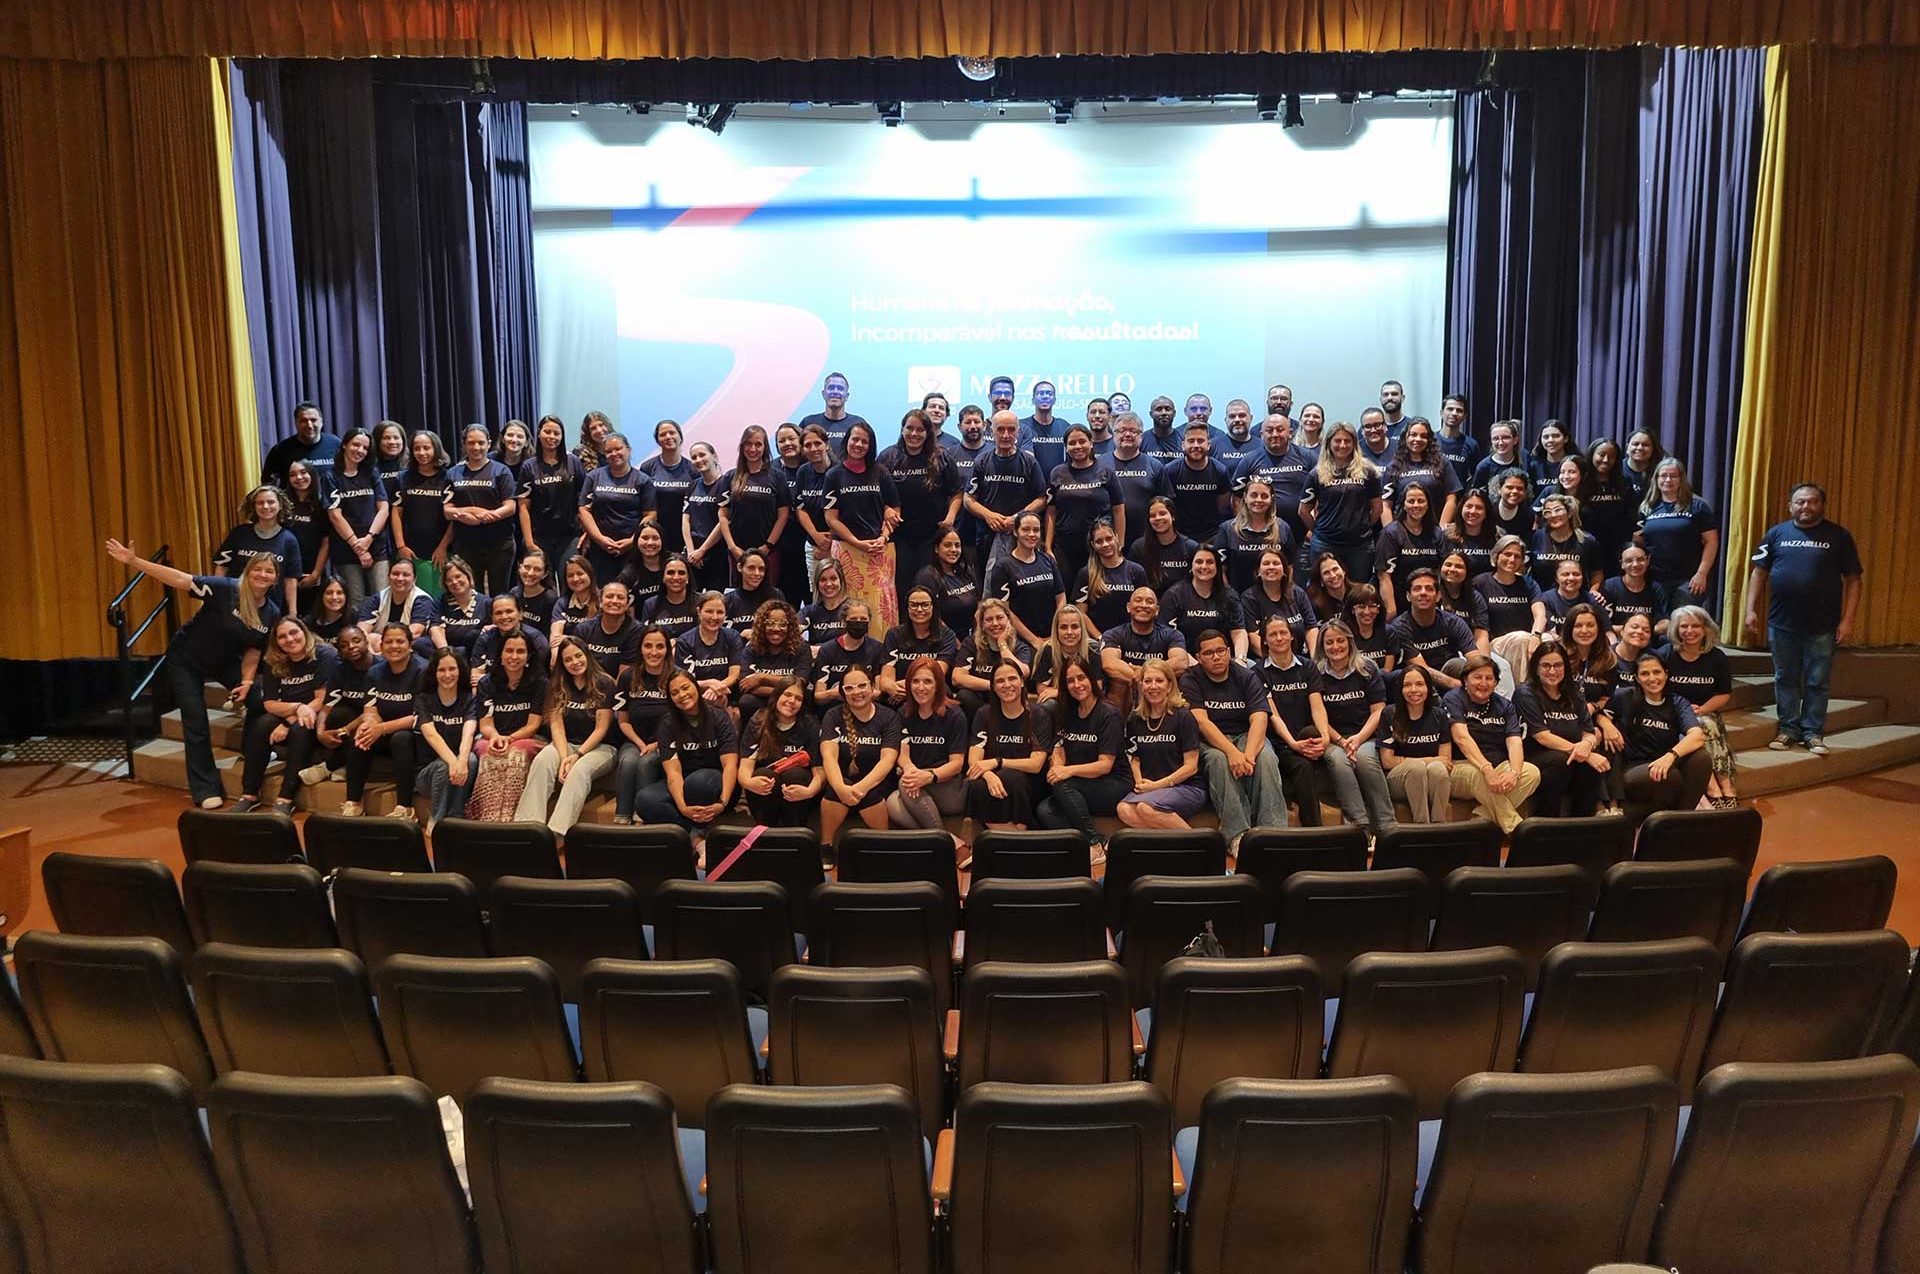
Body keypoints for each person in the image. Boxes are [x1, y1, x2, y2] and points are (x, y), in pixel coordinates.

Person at [105, 539, 282, 810]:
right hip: (185, 659)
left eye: (269, 571)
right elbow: (180, 579)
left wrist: (246, 681)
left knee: (258, 699)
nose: (262, 574)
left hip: (223, 662)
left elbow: (253, 651)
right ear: (248, 570)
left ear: (275, 578)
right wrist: (135, 561)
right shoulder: (225, 588)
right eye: (257, 569)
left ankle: (253, 750)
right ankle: (205, 788)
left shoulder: (271, 613)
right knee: (196, 721)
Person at [1744, 482, 1863, 756]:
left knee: (1816, 681)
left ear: (1822, 504)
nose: (1806, 507)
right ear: (1791, 506)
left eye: (1812, 502)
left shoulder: (1839, 536)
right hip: (1781, 623)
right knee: (1785, 677)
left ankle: (1813, 733)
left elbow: (1854, 581)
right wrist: (1750, 609)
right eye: (1800, 502)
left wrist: (1848, 621)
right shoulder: (1776, 534)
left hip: (1823, 626)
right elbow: (1758, 573)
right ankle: (1788, 729)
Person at [1181, 629, 1288, 845]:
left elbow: (1259, 719)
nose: (1216, 657)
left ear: (1229, 652)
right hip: (1209, 740)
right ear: (1199, 657)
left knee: (1266, 758)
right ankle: (1236, 835)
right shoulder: (1190, 679)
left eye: (1221, 650)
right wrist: (1232, 753)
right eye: (1209, 653)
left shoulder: (1247, 676)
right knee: (1219, 761)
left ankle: (1273, 832)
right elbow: (1201, 722)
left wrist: (1247, 756)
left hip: (1245, 735)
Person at [513, 636, 617, 836]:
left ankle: (557, 834)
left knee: (579, 771)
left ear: (586, 655)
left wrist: (576, 757)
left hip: (601, 747)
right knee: (543, 761)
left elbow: (600, 729)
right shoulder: (556, 685)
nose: (575, 662)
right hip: (566, 744)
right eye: (568, 659)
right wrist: (563, 758)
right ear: (562, 663)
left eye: (578, 656)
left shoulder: (604, 682)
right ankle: (526, 829)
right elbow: (557, 728)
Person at [232, 617, 336, 815]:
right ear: (276, 642)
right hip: (291, 711)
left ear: (304, 631)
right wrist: (296, 709)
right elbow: (270, 704)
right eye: (282, 637)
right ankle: (249, 794)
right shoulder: (273, 661)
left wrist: (290, 723)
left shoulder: (324, 654)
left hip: (319, 713)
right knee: (261, 724)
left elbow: (322, 699)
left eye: (294, 632)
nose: (289, 639)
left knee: (301, 729)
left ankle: (286, 797)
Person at [632, 669, 739, 851]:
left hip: (716, 784)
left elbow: (730, 765)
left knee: (697, 781)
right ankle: (696, 839)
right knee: (645, 800)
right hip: (684, 781)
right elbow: (673, 772)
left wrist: (723, 803)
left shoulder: (718, 717)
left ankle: (695, 836)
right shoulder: (668, 723)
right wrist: (682, 807)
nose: (682, 695)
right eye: (675, 693)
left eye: (685, 688)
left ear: (696, 687)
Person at [1441, 653, 1542, 835]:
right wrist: (1487, 769)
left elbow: (1514, 742)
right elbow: (1461, 738)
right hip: (1460, 766)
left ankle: (1481, 817)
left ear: (1496, 682)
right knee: (1477, 774)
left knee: (1531, 773)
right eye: (1477, 677)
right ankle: (1516, 828)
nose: (1484, 683)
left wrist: (1514, 772)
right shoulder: (1453, 699)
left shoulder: (1504, 705)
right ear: (1465, 679)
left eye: (1489, 678)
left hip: (1496, 766)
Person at [1313, 619, 1397, 836]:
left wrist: (1358, 739)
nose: (1335, 647)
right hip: (1333, 738)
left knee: (1367, 760)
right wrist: (1341, 741)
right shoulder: (1315, 672)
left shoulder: (1367, 668)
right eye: (1329, 642)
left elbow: (1378, 710)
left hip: (1365, 735)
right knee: (1339, 761)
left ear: (1350, 641)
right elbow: (1318, 715)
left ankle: (1388, 826)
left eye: (1340, 640)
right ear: (1322, 646)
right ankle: (1361, 828)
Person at [1036, 656, 1128, 852]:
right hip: (1081, 784)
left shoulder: (1108, 713)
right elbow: (1058, 747)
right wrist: (1058, 767)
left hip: (1113, 783)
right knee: (1045, 811)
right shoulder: (1066, 710)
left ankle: (1094, 843)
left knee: (1063, 784)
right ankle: (1093, 842)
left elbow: (1105, 766)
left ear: (1091, 679)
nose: (1077, 684)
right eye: (1070, 680)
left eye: (1081, 678)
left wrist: (1066, 772)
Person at [1609, 651, 1711, 824]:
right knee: (1671, 777)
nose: (1652, 678)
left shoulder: (1677, 702)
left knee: (1702, 758)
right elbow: (1599, 715)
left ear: (1666, 674)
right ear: (1637, 677)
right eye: (1645, 673)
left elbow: (1697, 736)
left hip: (1665, 762)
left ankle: (1679, 820)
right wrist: (1606, 725)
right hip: (1633, 768)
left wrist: (1670, 756)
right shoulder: (1624, 696)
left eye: (1657, 672)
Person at [339, 623, 427, 819]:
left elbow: (420, 716)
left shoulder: (422, 671)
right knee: (360, 735)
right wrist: (369, 725)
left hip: (415, 735)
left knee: (401, 739)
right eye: (389, 642)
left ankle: (405, 807)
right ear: (381, 645)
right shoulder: (375, 672)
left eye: (400, 641)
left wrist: (381, 728)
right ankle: (353, 801)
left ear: (410, 645)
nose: (394, 646)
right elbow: (370, 709)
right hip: (384, 730)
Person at [1513, 642, 1612, 817]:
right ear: (1536, 667)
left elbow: (1589, 732)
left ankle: (1582, 826)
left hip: (1570, 754)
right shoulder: (1525, 693)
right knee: (1561, 761)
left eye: (1558, 665)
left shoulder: (1574, 693)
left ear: (1565, 667)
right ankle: (1547, 824)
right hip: (1537, 755)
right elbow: (1542, 737)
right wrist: (1585, 754)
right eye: (1546, 665)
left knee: (1589, 766)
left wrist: (1587, 746)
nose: (1552, 671)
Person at [1115, 659, 1208, 837]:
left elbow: (1191, 766)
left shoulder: (1183, 716)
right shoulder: (1135, 719)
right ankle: (1167, 846)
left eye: (1159, 680)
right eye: (1147, 681)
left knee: (1146, 808)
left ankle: (1202, 845)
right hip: (1152, 789)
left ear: (1169, 685)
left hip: (1186, 787)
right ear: (1141, 686)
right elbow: (1134, 758)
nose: (1153, 686)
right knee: (1124, 809)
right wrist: (1140, 782)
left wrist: (1157, 786)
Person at [1658, 605, 1739, 807]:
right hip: (1672, 713)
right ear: (1676, 629)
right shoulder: (1666, 654)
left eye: (1695, 625)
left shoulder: (1717, 657)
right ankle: (1713, 788)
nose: (1689, 631)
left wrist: (1701, 709)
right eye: (1684, 626)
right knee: (1700, 726)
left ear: (1705, 628)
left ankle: (1725, 786)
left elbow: (1723, 694)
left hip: (1705, 711)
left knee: (1704, 723)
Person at [885, 658, 970, 847]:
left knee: (904, 786)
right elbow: (903, 754)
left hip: (947, 786)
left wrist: (928, 776)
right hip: (917, 785)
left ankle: (944, 845)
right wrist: (911, 771)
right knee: (892, 803)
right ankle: (949, 843)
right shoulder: (904, 713)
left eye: (927, 681)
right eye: (915, 681)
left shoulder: (955, 715)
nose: (920, 687)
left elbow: (956, 764)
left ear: (938, 685)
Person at [879, 408, 961, 605]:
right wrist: (887, 509)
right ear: (902, 429)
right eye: (910, 428)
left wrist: (950, 519)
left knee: (930, 589)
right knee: (901, 589)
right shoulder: (888, 457)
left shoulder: (941, 456)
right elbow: (875, 493)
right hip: (899, 537)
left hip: (931, 537)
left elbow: (957, 492)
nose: (914, 434)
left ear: (928, 433)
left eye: (920, 430)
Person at [823, 420, 899, 627]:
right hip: (847, 550)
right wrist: (857, 542)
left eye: (864, 441)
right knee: (849, 606)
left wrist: (883, 537)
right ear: (847, 441)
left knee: (881, 609)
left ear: (870, 445)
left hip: (879, 550)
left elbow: (894, 509)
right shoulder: (833, 475)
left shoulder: (881, 472)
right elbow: (831, 518)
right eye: (855, 439)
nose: (859, 445)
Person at [465, 630, 546, 820]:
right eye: (509, 651)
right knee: (489, 752)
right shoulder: (487, 683)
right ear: (500, 655)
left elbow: (533, 725)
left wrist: (509, 739)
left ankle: (509, 819)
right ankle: (486, 818)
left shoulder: (539, 683)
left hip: (527, 738)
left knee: (515, 753)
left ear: (528, 656)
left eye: (520, 651)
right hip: (491, 737)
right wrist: (495, 737)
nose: (514, 657)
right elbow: (485, 724)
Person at [965, 660, 1051, 832]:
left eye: (1012, 678)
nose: (1006, 685)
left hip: (1029, 784)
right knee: (976, 784)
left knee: (1010, 777)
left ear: (1022, 681)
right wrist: (989, 774)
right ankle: (1017, 835)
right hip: (994, 781)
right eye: (1000, 681)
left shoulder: (1039, 715)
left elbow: (1035, 765)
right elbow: (974, 759)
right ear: (993, 687)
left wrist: (997, 762)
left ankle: (1011, 837)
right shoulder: (984, 714)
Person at [819, 664, 901, 843]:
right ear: (843, 693)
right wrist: (841, 788)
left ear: (873, 687)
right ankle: (825, 845)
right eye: (849, 688)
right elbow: (829, 757)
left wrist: (861, 788)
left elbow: (887, 760)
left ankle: (884, 844)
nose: (856, 692)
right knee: (834, 790)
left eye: (862, 685)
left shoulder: (889, 717)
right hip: (841, 781)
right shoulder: (833, 715)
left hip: (877, 783)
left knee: (870, 793)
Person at [1257, 616, 1327, 825]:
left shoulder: (1307, 667)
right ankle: (1315, 833)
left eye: (1283, 633)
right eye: (1273, 634)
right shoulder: (1258, 672)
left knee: (1311, 740)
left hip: (1308, 739)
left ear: (1291, 636)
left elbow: (1317, 706)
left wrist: (1324, 738)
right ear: (1265, 641)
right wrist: (1293, 744)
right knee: (1303, 766)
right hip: (1281, 743)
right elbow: (1274, 716)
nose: (1279, 638)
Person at [1300, 420, 1385, 588]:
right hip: (1325, 543)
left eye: (1347, 441)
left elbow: (1377, 509)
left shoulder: (1368, 471)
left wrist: (1362, 527)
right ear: (1329, 443)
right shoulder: (1317, 474)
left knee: (1359, 591)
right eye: (1337, 441)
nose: (1342, 445)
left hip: (1359, 545)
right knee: (1320, 588)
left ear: (1354, 443)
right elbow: (1303, 511)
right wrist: (1318, 530)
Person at [1045, 424, 1125, 593]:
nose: (1078, 446)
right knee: (1065, 594)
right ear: (1066, 448)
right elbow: (1051, 512)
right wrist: (1047, 547)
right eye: (1072, 443)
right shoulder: (1057, 473)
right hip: (1065, 548)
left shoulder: (1106, 471)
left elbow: (1118, 509)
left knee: (1098, 595)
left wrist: (1119, 544)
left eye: (1082, 441)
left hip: (1099, 547)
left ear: (1091, 443)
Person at [445, 423, 521, 597]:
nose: (476, 447)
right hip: (466, 544)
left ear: (488, 443)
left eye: (480, 443)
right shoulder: (453, 473)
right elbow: (447, 511)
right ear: (464, 444)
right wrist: (471, 512)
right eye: (471, 443)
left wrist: (483, 518)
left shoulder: (502, 471)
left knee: (500, 593)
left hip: (500, 543)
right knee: (471, 592)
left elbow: (510, 507)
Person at [964, 409, 1046, 570]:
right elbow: (968, 499)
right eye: (1000, 429)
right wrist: (988, 515)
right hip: (987, 537)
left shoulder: (1030, 462)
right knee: (989, 586)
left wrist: (1018, 518)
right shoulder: (981, 461)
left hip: (1021, 537)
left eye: (1011, 430)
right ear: (991, 431)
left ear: (1018, 431)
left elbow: (1042, 499)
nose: (1006, 435)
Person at [738, 677, 824, 827]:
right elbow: (745, 766)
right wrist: (749, 783)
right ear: (776, 696)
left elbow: (820, 771)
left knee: (795, 774)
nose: (792, 701)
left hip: (799, 791)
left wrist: (810, 791)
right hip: (766, 791)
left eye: (798, 698)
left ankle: (794, 832)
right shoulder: (758, 720)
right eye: (787, 695)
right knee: (763, 774)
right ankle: (764, 831)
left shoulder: (810, 725)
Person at [611, 627, 675, 825]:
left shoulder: (676, 677)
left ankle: (642, 818)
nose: (653, 652)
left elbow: (682, 721)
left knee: (645, 763)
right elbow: (623, 720)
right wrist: (640, 744)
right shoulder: (628, 677)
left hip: (667, 742)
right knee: (628, 762)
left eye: (659, 646)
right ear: (640, 648)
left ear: (667, 650)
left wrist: (656, 744)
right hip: (634, 740)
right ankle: (622, 818)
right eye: (648, 646)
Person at [718, 424, 793, 591]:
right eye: (748, 444)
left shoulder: (777, 476)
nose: (753, 449)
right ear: (742, 446)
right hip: (737, 551)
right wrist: (733, 548)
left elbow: (783, 514)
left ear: (765, 447)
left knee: (767, 595)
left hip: (768, 551)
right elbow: (723, 514)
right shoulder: (731, 476)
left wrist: (768, 546)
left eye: (758, 444)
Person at [577, 430, 655, 589]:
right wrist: (599, 538)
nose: (614, 454)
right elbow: (584, 510)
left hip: (631, 549)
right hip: (599, 549)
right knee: (601, 593)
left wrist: (632, 540)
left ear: (628, 450)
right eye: (609, 451)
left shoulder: (643, 480)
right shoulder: (594, 477)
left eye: (618, 449)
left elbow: (650, 515)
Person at [324, 427, 391, 611]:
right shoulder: (331, 476)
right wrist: (358, 548)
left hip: (376, 545)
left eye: (365, 447)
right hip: (346, 549)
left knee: (382, 598)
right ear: (345, 444)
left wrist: (369, 539)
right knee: (355, 601)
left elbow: (384, 509)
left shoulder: (371, 473)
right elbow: (335, 515)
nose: (360, 450)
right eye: (356, 444)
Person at [1637, 457, 1718, 610]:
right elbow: (1640, 540)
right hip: (1655, 579)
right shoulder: (1647, 506)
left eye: (1673, 476)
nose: (1668, 480)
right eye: (1663, 476)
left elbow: (1711, 542)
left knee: (1681, 623)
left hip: (1688, 579)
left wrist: (1702, 573)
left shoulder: (1697, 505)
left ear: (1681, 479)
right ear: (1656, 479)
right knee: (1660, 625)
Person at [1378, 663, 1454, 824]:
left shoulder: (1439, 715)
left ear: (1428, 688)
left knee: (1438, 769)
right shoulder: (1389, 713)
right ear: (1400, 689)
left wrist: (1432, 762)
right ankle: (1422, 827)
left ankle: (1439, 826)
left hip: (1430, 775)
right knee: (1417, 768)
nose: (1413, 690)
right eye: (1407, 685)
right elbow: (1387, 761)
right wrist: (1428, 760)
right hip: (1399, 778)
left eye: (1419, 684)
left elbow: (1445, 760)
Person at [212, 485, 303, 613]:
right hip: (235, 604)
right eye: (260, 503)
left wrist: (293, 613)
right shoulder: (239, 533)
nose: (265, 506)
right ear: (254, 507)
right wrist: (217, 597)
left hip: (269, 609)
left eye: (271, 502)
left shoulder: (289, 540)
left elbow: (290, 580)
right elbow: (222, 566)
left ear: (280, 505)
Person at [1099, 586, 1190, 713]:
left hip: (1160, 693)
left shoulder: (1172, 635)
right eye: (1138, 600)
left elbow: (1181, 663)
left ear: (1157, 610)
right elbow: (1109, 664)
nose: (1144, 605)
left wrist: (1144, 675)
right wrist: (1147, 677)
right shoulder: (1113, 634)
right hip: (1126, 695)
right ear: (1128, 607)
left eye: (1150, 602)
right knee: (1119, 681)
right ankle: (1119, 729)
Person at [1385, 568, 1477, 692]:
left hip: (1449, 672)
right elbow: (1422, 669)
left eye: (1429, 589)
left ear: (1438, 596)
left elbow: (1475, 659)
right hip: (1419, 683)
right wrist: (1461, 686)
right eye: (1417, 589)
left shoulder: (1453, 622)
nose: (1423, 593)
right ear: (1408, 596)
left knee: (1461, 665)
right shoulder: (1399, 628)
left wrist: (1477, 681)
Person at [985, 510, 1063, 649]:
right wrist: (1034, 640)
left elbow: (1061, 598)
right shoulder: (1003, 566)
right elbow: (1004, 610)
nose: (1032, 534)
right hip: (1021, 641)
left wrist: (1055, 633)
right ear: (1016, 532)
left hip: (1052, 637)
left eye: (1036, 530)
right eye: (1026, 529)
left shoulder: (1048, 560)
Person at [518, 414, 587, 571]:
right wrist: (529, 542)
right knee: (542, 584)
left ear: (562, 436)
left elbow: (584, 501)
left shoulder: (573, 462)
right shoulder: (529, 466)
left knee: (569, 581)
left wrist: (586, 533)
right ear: (539, 433)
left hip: (570, 536)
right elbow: (523, 506)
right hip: (539, 537)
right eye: (547, 432)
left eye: (556, 433)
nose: (552, 437)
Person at [1473, 535, 1548, 669]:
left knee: (1549, 641)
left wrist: (1536, 636)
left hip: (1526, 639)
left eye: (1517, 556)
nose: (1512, 559)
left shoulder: (1528, 583)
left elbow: (1540, 614)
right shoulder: (1481, 583)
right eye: (1507, 554)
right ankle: (1522, 689)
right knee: (1521, 639)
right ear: (1496, 555)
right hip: (1495, 643)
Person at [953, 597, 1034, 720]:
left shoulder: (1020, 647)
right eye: (989, 620)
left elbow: (1022, 673)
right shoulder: (971, 643)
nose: (995, 623)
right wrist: (994, 685)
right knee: (964, 696)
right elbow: (957, 678)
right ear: (982, 624)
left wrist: (1002, 644)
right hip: (980, 701)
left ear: (1009, 621)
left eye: (1000, 618)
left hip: (1010, 699)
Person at [1161, 545, 1247, 660]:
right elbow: (1168, 638)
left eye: (1210, 562)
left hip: (1222, 661)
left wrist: (1240, 659)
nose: (1204, 566)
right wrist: (1194, 666)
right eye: (1199, 562)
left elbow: (1239, 632)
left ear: (1217, 567)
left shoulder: (1229, 596)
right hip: (1187, 662)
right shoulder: (1174, 595)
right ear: (1191, 565)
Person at [1374, 482, 1446, 617]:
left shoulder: (1437, 533)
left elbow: (1440, 572)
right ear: (1404, 504)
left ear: (1428, 504)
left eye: (1421, 501)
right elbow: (1383, 575)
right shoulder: (1391, 533)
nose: (1416, 505)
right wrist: (1391, 610)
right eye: (1411, 501)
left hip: (1428, 600)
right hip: (1399, 601)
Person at [879, 585, 959, 705]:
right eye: (914, 605)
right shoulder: (894, 635)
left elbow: (937, 674)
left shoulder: (947, 635)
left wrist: (910, 686)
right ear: (907, 608)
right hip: (900, 692)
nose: (920, 609)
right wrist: (892, 688)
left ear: (933, 607)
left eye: (925, 604)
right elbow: (885, 679)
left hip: (930, 690)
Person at [1215, 475, 1292, 595]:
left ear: (1271, 499)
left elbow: (1289, 568)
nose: (1259, 500)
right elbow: (1221, 570)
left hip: (1274, 600)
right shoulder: (1227, 529)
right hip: (1238, 599)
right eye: (1254, 495)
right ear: (1245, 498)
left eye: (1264, 496)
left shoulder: (1283, 528)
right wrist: (1230, 598)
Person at [738, 599, 810, 725]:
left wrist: (762, 678)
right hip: (760, 701)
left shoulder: (801, 648)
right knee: (746, 701)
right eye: (770, 623)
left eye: (782, 624)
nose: (776, 629)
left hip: (792, 701)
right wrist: (785, 690)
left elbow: (801, 683)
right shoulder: (751, 648)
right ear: (761, 626)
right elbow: (746, 686)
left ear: (790, 626)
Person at [1380, 418, 1462, 528]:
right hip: (1402, 532)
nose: (1417, 439)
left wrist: (1442, 528)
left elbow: (1451, 498)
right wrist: (1390, 533)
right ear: (1405, 437)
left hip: (1434, 531)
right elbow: (1386, 504)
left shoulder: (1442, 462)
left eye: (1423, 436)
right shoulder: (1393, 467)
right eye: (1413, 435)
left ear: (1429, 440)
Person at [1107, 411, 1168, 552]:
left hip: (1147, 541)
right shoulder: (1100, 464)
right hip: (1108, 542)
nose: (1127, 434)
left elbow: (1165, 505)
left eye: (1133, 431)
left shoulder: (1155, 466)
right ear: (1113, 434)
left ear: (1141, 435)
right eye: (1121, 430)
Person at [677, 592, 746, 711]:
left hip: (727, 694)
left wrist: (718, 687)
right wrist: (709, 683)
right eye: (709, 611)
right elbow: (685, 680)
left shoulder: (733, 636)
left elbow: (734, 674)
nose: (714, 617)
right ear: (699, 612)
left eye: (720, 612)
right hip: (695, 694)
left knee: (732, 711)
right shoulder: (685, 641)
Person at [811, 599, 885, 708]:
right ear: (844, 621)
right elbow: (818, 696)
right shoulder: (828, 650)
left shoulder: (876, 648)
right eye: (853, 619)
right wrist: (834, 693)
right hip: (835, 709)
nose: (859, 622)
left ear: (869, 623)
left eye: (863, 619)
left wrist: (856, 693)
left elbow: (879, 694)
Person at [914, 524, 980, 644]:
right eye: (947, 545)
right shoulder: (927, 576)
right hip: (942, 640)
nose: (954, 550)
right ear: (936, 548)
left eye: (957, 545)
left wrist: (975, 640)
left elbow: (979, 605)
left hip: (970, 638)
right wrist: (957, 645)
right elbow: (931, 616)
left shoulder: (967, 570)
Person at [637, 419, 695, 555]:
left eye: (672, 433)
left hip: (684, 533)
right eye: (663, 434)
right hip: (655, 535)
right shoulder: (647, 467)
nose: (668, 437)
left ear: (680, 437)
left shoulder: (693, 469)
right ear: (657, 440)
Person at [261, 400, 343, 493]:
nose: (309, 425)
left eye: (313, 420)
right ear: (296, 423)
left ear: (321, 422)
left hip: (331, 505)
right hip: (294, 506)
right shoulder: (280, 450)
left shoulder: (336, 445)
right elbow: (268, 485)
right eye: (304, 421)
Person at [773, 423, 813, 605]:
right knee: (788, 601)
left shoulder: (813, 467)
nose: (787, 443)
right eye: (782, 441)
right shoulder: (770, 470)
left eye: (792, 439)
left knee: (813, 598)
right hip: (782, 546)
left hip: (812, 543)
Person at [1530, 494, 1604, 593]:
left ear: (1569, 513)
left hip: (1578, 600)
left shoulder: (1587, 540)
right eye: (1547, 512)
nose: (1553, 515)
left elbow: (1597, 573)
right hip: (1543, 599)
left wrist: (1594, 591)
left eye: (1558, 510)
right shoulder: (1536, 537)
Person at [1031, 605, 1103, 704]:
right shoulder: (1048, 650)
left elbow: (1098, 687)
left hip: (1086, 699)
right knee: (1048, 704)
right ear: (1056, 630)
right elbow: (1042, 689)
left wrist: (1060, 692)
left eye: (1074, 627)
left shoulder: (1092, 649)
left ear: (1082, 629)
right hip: (1060, 703)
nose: (1069, 632)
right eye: (1064, 627)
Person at [570, 579, 640, 681]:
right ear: (601, 602)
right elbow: (577, 666)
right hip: (587, 684)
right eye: (609, 596)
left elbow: (624, 676)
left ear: (627, 604)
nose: (614, 601)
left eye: (620, 597)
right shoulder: (583, 629)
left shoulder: (636, 630)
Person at [353, 556, 434, 643]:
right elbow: (362, 629)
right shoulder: (378, 597)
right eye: (395, 574)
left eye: (406, 575)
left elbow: (415, 633)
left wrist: (385, 642)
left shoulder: (422, 600)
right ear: (388, 576)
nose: (400, 578)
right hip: (379, 643)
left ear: (414, 579)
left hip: (408, 644)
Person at [469, 593, 550, 681]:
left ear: (520, 614)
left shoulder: (536, 639)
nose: (504, 617)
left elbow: (539, 677)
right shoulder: (485, 639)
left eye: (509, 611)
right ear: (492, 618)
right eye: (498, 613)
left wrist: (488, 678)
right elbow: (476, 677)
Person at [1582, 438, 1638, 567]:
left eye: (1611, 457)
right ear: (1592, 454)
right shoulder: (1581, 482)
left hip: (1617, 547)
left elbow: (1632, 514)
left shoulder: (1624, 482)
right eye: (1601, 455)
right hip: (1587, 546)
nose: (1606, 460)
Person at [682, 441, 728, 592]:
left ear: (714, 456)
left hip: (716, 554)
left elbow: (723, 521)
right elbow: (686, 520)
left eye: (702, 455)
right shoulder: (693, 485)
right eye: (694, 457)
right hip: (692, 556)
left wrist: (702, 550)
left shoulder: (726, 484)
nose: (698, 460)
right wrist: (691, 552)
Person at [1132, 495, 1198, 596]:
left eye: (1162, 513)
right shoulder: (1138, 548)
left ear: (1173, 516)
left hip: (1181, 605)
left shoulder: (1191, 548)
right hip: (1148, 606)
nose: (1157, 518)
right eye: (1152, 515)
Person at [1601, 544, 1670, 639]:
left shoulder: (1655, 588)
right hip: (1616, 641)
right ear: (1622, 564)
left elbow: (1665, 624)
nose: (1635, 564)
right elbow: (1605, 627)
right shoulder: (1609, 586)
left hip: (1646, 641)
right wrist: (1640, 630)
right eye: (1629, 561)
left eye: (1640, 559)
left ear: (1648, 561)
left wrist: (1639, 632)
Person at [427, 555, 489, 658]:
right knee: (420, 644)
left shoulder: (486, 602)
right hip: (445, 649)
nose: (454, 582)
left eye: (458, 576)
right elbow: (435, 628)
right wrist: (446, 654)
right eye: (449, 580)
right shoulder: (440, 601)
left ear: (468, 576)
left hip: (472, 651)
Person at [798, 370, 866, 459]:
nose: (835, 392)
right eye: (831, 388)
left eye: (840, 388)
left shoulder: (858, 423)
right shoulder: (808, 423)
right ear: (823, 394)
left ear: (847, 396)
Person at [1542, 559, 1614, 637]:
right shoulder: (1546, 599)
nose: (1571, 578)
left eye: (1576, 574)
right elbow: (1549, 632)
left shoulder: (1594, 600)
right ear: (1556, 578)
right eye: (1565, 574)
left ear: (1582, 577)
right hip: (1557, 644)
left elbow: (1608, 632)